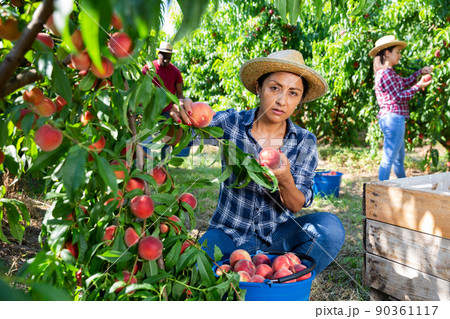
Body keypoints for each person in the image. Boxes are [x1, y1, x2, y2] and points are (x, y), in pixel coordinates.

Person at [171, 50, 345, 275]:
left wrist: (284, 179)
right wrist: (180, 118)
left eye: (293, 93)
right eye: (274, 88)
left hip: (278, 236)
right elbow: (181, 140)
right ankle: (248, 280)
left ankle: (282, 283)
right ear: (258, 88)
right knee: (194, 266)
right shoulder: (231, 123)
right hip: (228, 234)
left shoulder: (304, 141)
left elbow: (296, 204)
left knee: (329, 229)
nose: (282, 100)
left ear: (299, 101)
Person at [369, 35, 432, 181]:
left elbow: (403, 83)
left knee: (398, 158)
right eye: (397, 52)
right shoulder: (385, 74)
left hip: (393, 118)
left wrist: (419, 73)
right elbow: (398, 97)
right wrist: (419, 86)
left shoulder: (389, 73)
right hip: (393, 118)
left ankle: (403, 184)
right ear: (387, 53)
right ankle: (380, 189)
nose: (400, 55)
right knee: (389, 158)